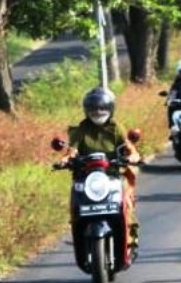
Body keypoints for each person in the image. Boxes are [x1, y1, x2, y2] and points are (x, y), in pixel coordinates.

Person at [61, 87, 142, 266]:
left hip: (113, 176)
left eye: (102, 108)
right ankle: (79, 235)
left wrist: (133, 156)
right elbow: (72, 149)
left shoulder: (116, 128)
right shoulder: (81, 129)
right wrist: (66, 159)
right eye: (93, 109)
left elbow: (128, 147)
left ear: (110, 109)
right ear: (87, 110)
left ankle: (130, 242)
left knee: (126, 204)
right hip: (88, 178)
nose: (98, 112)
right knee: (76, 207)